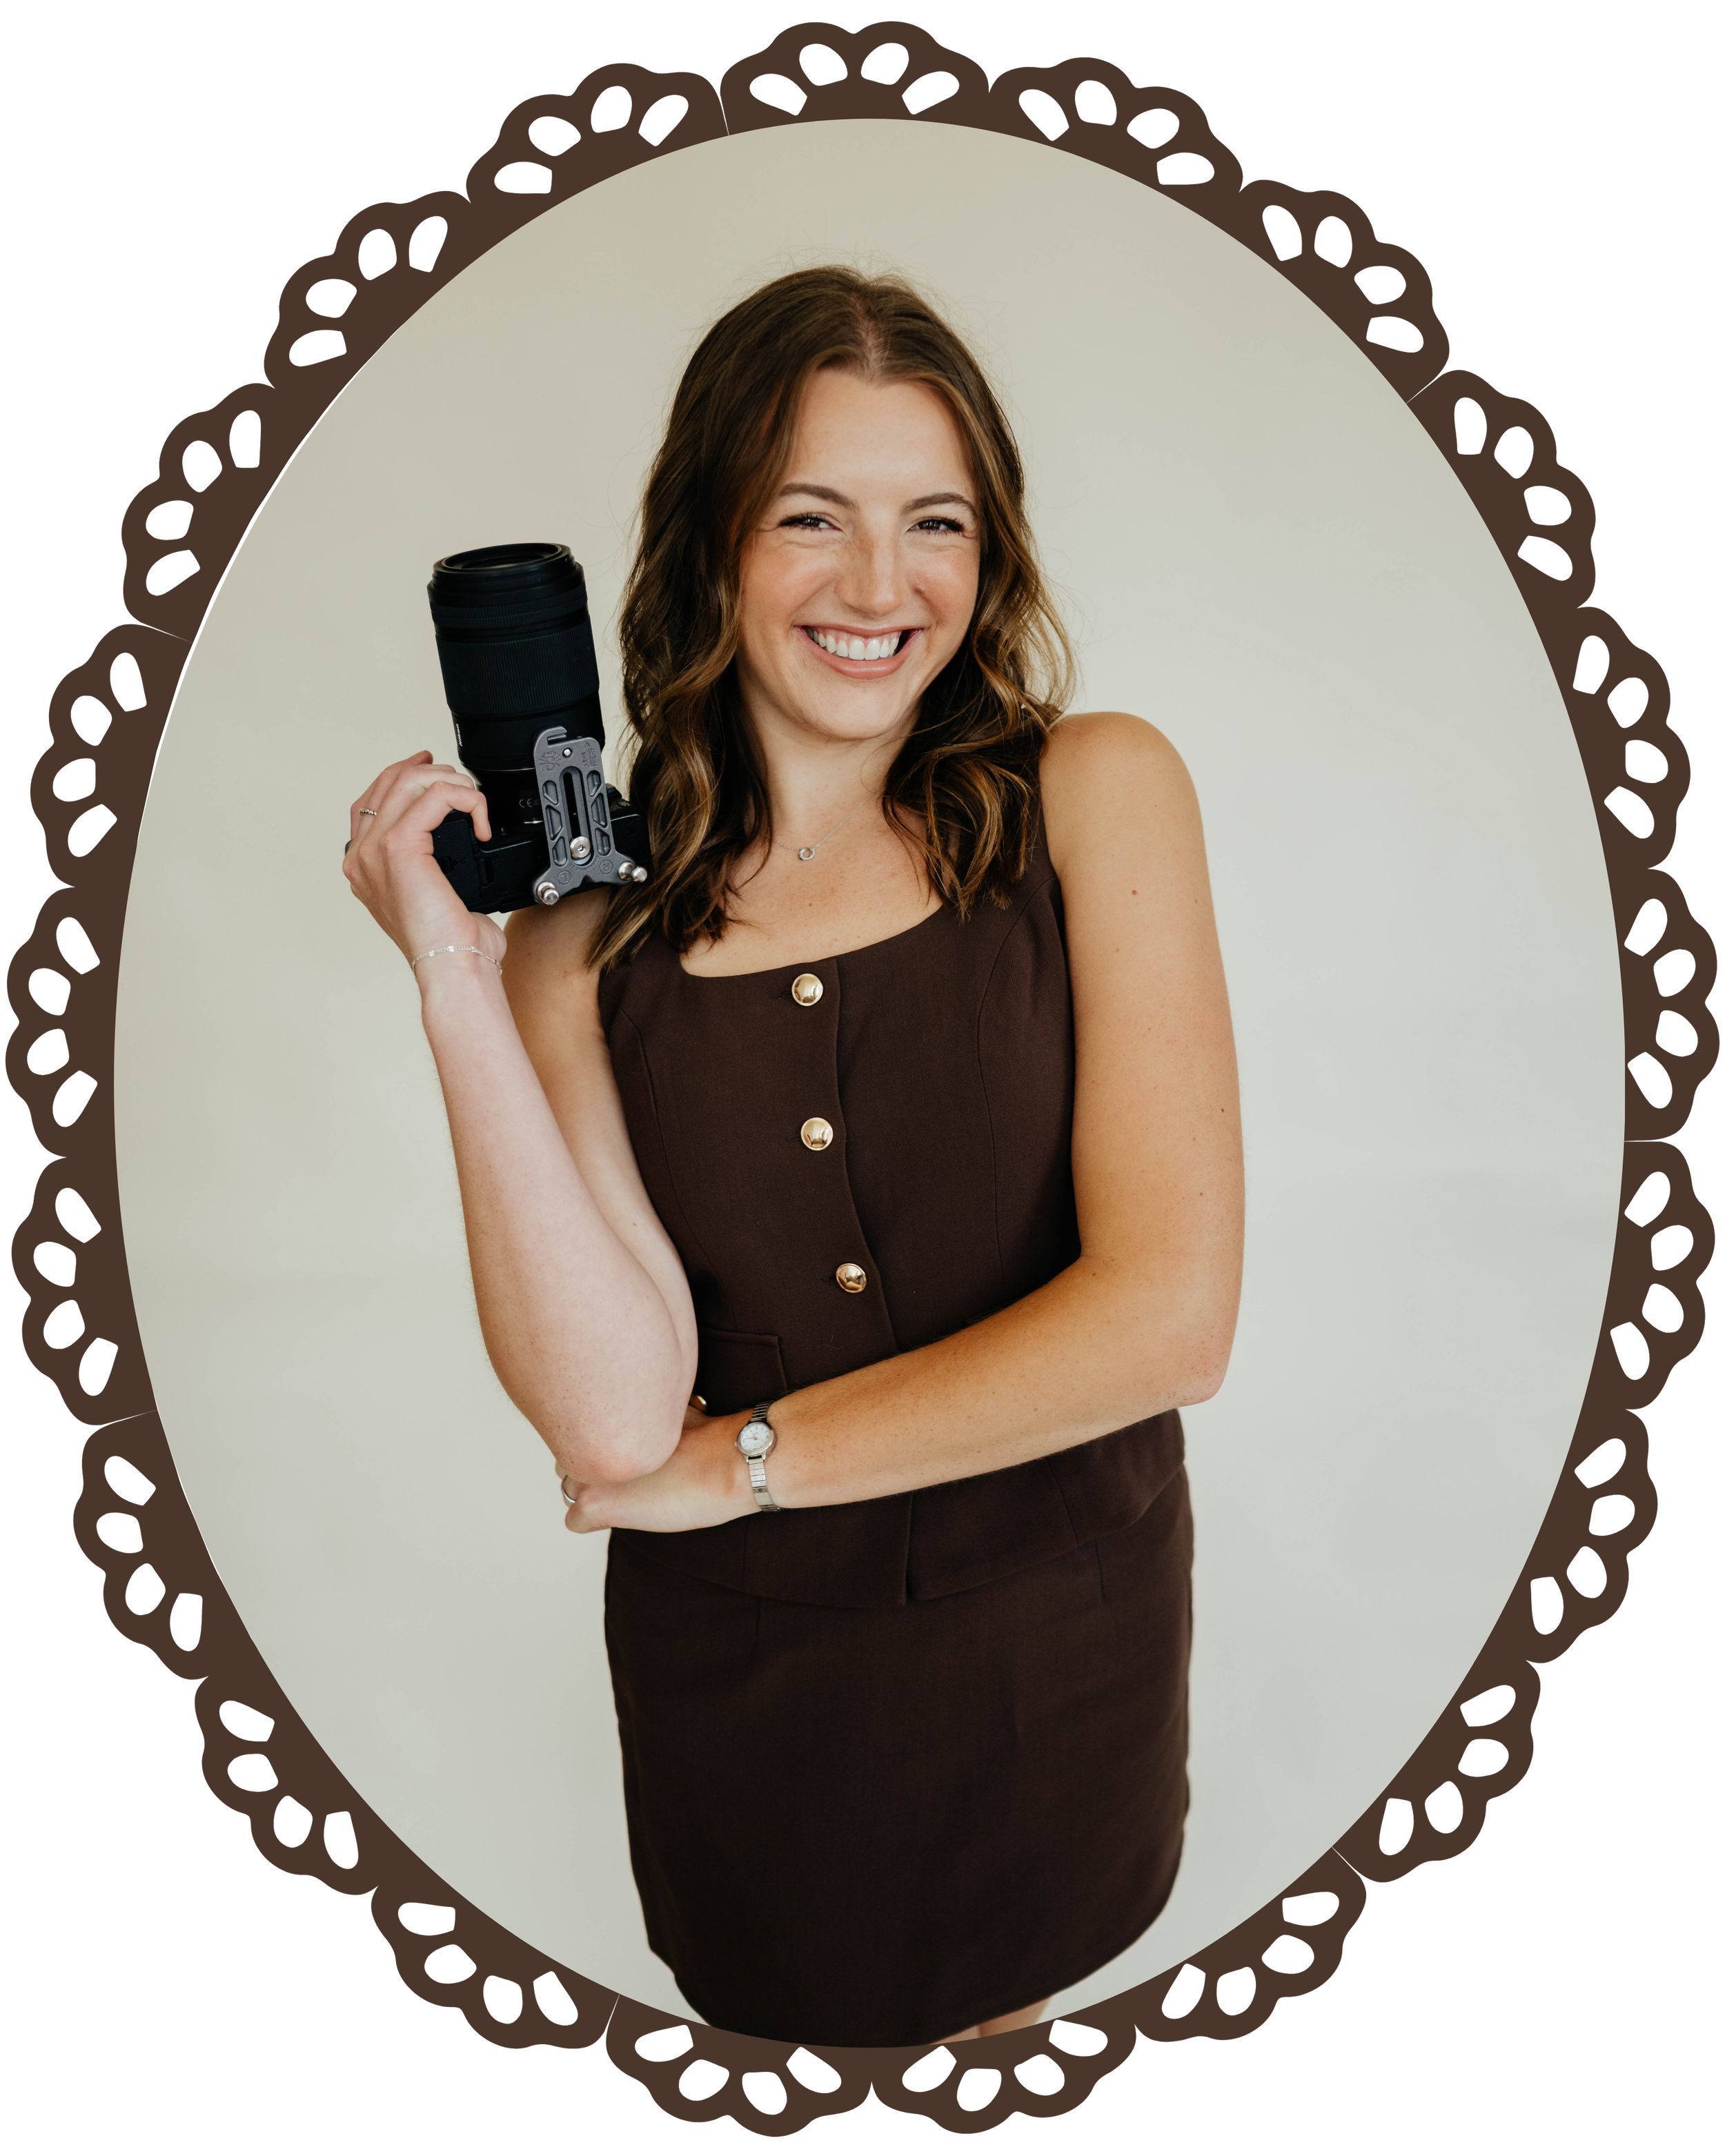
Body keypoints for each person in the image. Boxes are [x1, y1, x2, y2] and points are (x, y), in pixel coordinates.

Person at [343, 266, 1243, 2050]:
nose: (878, 585)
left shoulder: (1095, 791)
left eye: (934, 523)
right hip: (746, 1692)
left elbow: (1171, 1315)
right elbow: (612, 1421)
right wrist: (457, 982)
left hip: (1050, 1643)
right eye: (808, 519)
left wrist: (745, 1458)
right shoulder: (584, 937)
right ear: (709, 545)